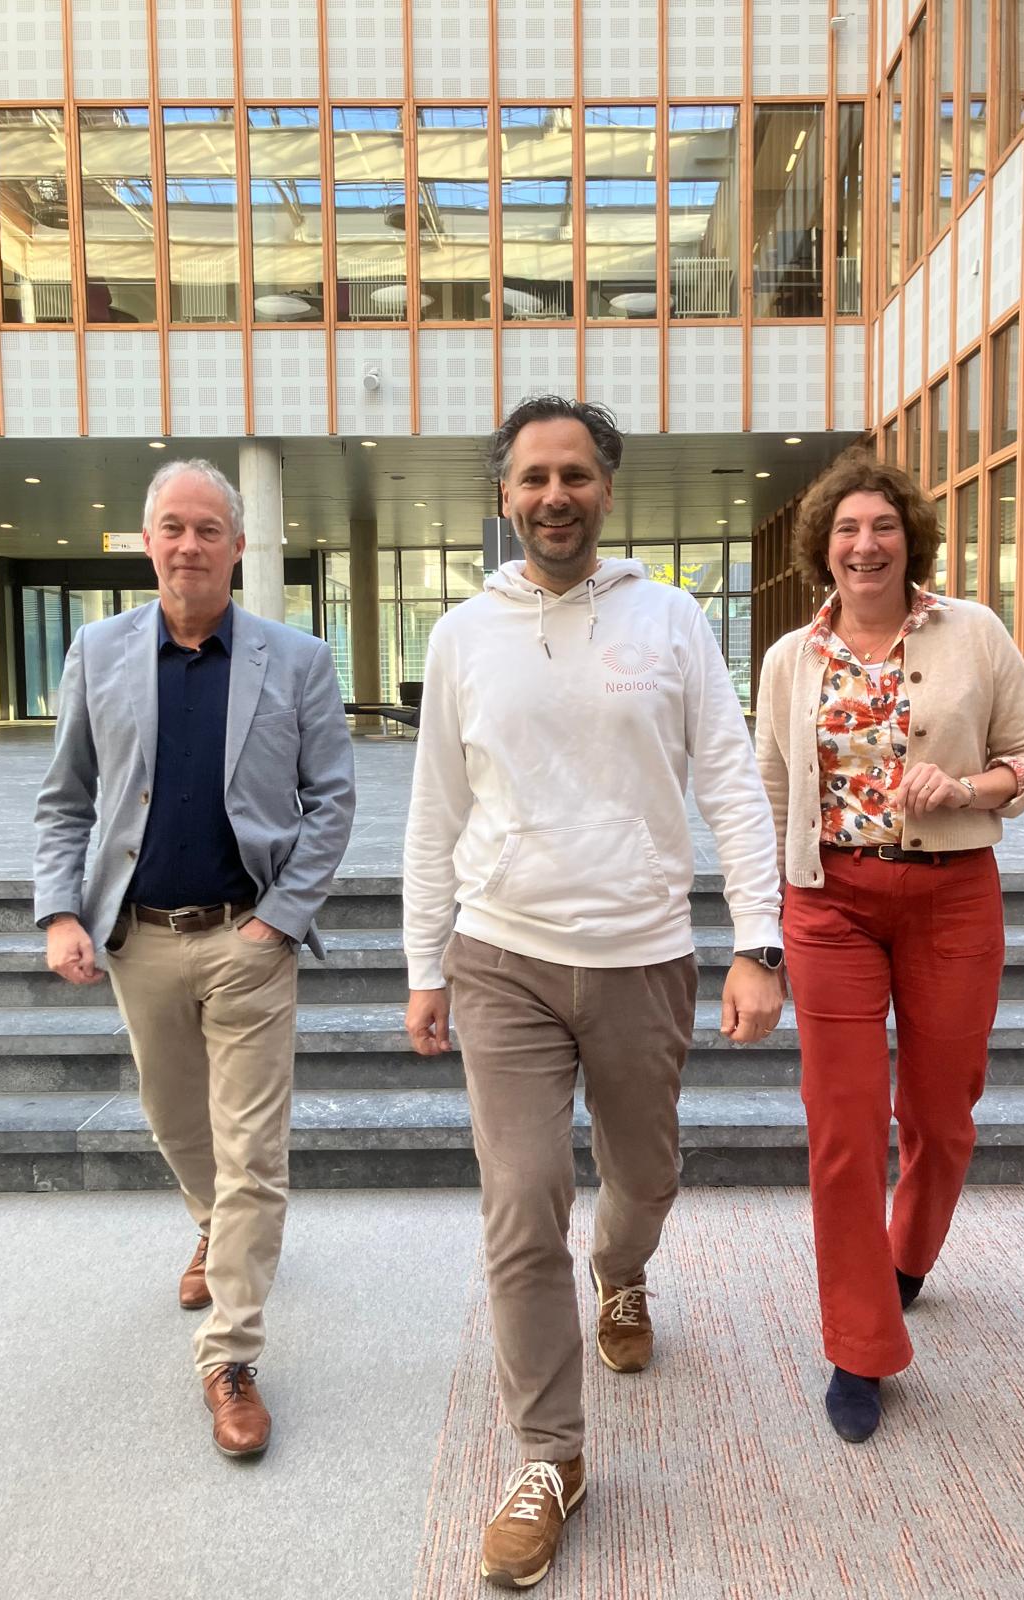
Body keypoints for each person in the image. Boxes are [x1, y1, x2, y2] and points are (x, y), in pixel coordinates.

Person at [402, 396, 784, 1590]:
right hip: (502, 956)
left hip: (641, 954)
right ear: (504, 496)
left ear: (607, 489)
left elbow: (732, 781)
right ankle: (549, 1457)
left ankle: (621, 1272)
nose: (553, 495)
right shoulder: (463, 634)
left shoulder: (671, 619)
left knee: (645, 1178)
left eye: (574, 474)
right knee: (521, 1204)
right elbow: (434, 808)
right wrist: (424, 963)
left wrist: (759, 942)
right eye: (533, 477)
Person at [33, 458, 356, 1458]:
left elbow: (332, 801)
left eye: (208, 528)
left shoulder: (296, 658)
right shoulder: (97, 650)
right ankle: (212, 1226)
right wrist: (60, 911)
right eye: (171, 527)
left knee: (252, 1151)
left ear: (238, 545)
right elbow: (65, 799)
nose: (188, 545)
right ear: (147, 542)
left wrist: (280, 921)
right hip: (139, 939)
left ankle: (230, 1354)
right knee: (177, 1122)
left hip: (247, 937)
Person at [754, 449, 1024, 1445]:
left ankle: (909, 1252)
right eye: (847, 528)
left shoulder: (973, 632)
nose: (865, 543)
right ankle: (859, 1344)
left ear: (908, 539)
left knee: (941, 1109)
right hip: (828, 903)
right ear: (824, 547)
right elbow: (770, 796)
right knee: (842, 1122)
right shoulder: (792, 658)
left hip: (953, 896)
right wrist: (762, 929)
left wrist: (967, 788)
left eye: (882, 526)